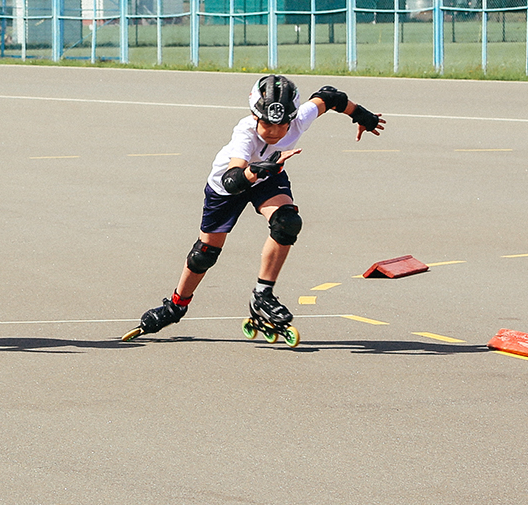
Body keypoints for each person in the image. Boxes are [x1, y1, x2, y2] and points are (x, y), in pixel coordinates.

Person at [127, 74, 385, 341]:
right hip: (228, 186)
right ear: (255, 116)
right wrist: (259, 169)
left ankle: (263, 294)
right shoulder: (245, 131)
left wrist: (363, 117)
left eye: (281, 125)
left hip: (267, 177)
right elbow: (232, 179)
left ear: (291, 118)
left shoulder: (300, 119)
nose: (274, 132)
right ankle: (176, 305)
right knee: (205, 253)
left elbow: (331, 97)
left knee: (287, 223)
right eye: (267, 124)